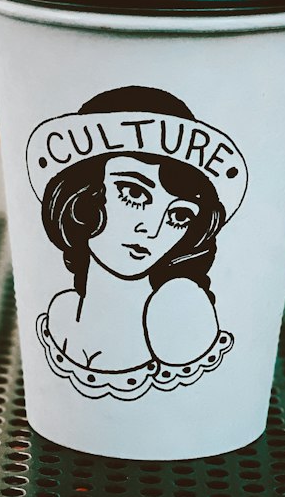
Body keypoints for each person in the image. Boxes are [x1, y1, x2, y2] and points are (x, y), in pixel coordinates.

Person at [32, 86, 246, 401]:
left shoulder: (176, 311)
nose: (153, 229)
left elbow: (201, 412)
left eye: (179, 215)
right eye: (134, 193)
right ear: (84, 192)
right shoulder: (61, 313)